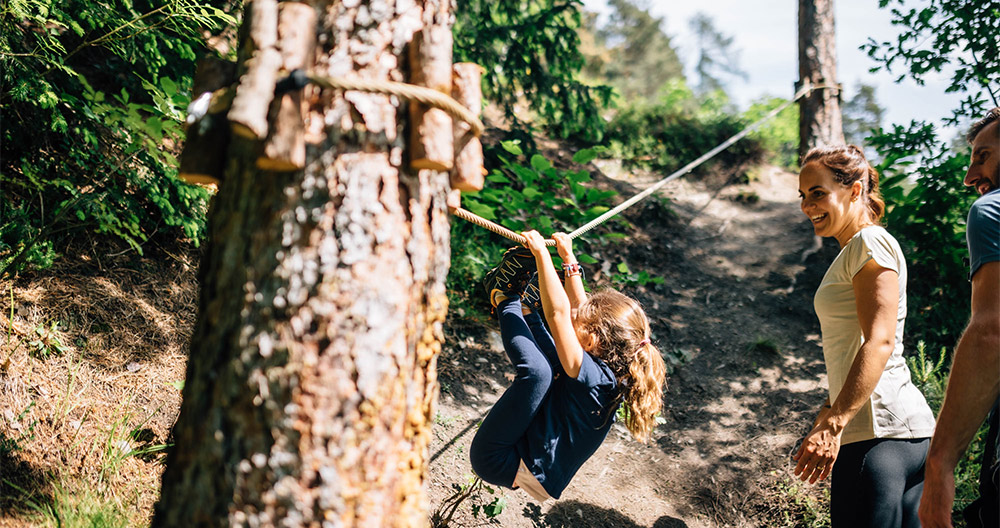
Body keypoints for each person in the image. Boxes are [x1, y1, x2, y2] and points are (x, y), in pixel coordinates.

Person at [792, 145, 936, 527]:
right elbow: (855, 348)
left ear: (855, 190)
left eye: (818, 193)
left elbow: (880, 341)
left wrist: (834, 424)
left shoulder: (869, 244)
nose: (808, 206)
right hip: (899, 435)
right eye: (804, 196)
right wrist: (827, 414)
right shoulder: (855, 250)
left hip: (880, 436)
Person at [469, 231, 667, 501]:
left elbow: (560, 313)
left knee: (539, 374)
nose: (578, 317)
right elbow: (578, 306)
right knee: (554, 367)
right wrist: (568, 259)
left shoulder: (592, 380)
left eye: (582, 322)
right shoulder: (616, 363)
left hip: (498, 459)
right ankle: (526, 308)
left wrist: (543, 257)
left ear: (593, 339)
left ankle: (506, 296)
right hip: (523, 455)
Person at [919, 107, 1000, 528]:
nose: (970, 177)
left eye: (982, 156)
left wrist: (939, 463)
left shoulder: (992, 210)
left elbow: (992, 332)